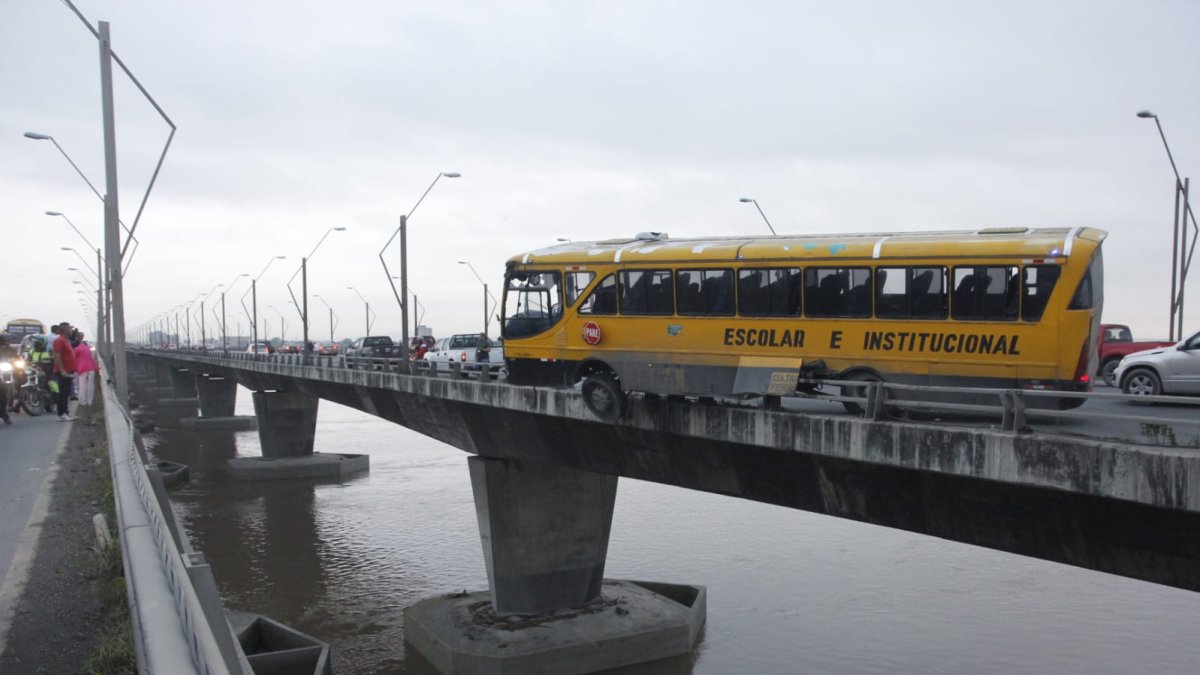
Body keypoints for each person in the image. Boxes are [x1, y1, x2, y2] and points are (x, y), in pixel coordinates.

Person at [51, 321, 77, 421]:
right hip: (64, 371)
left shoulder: (66, 341)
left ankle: (66, 413)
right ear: (65, 330)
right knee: (63, 393)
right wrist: (62, 371)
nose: (71, 330)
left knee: (66, 393)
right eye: (70, 328)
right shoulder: (59, 341)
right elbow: (57, 356)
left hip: (68, 371)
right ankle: (61, 413)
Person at [73, 333, 99, 408]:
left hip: (81, 368)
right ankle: (89, 401)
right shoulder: (89, 348)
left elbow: (73, 359)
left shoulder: (76, 349)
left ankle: (82, 401)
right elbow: (93, 357)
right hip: (91, 367)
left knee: (82, 385)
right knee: (90, 385)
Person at [0, 335, 15, 424]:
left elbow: (17, 358)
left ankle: (4, 414)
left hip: (3, 372)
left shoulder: (10, 349)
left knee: (3, 392)